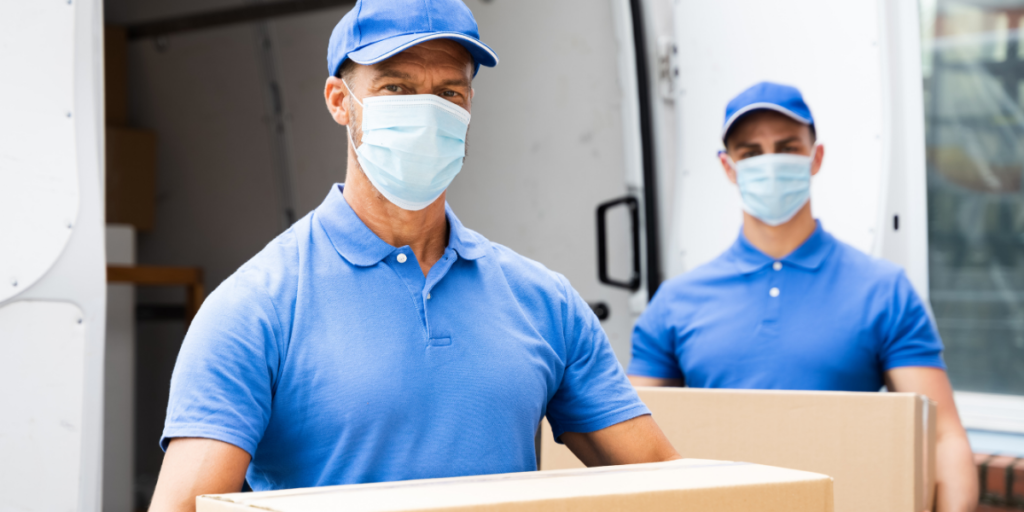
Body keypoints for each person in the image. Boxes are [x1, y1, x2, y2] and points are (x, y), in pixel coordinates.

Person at [148, 1, 680, 510]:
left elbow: (671, 487)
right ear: (339, 100)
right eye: (396, 88)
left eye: (449, 93)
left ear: (470, 106)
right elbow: (183, 506)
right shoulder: (255, 307)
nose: (426, 114)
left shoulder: (544, 303)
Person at [627, 82, 978, 512]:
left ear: (816, 157)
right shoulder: (677, 300)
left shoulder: (882, 289)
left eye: (787, 146)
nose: (769, 162)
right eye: (750, 152)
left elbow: (943, 436)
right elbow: (628, 435)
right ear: (728, 167)